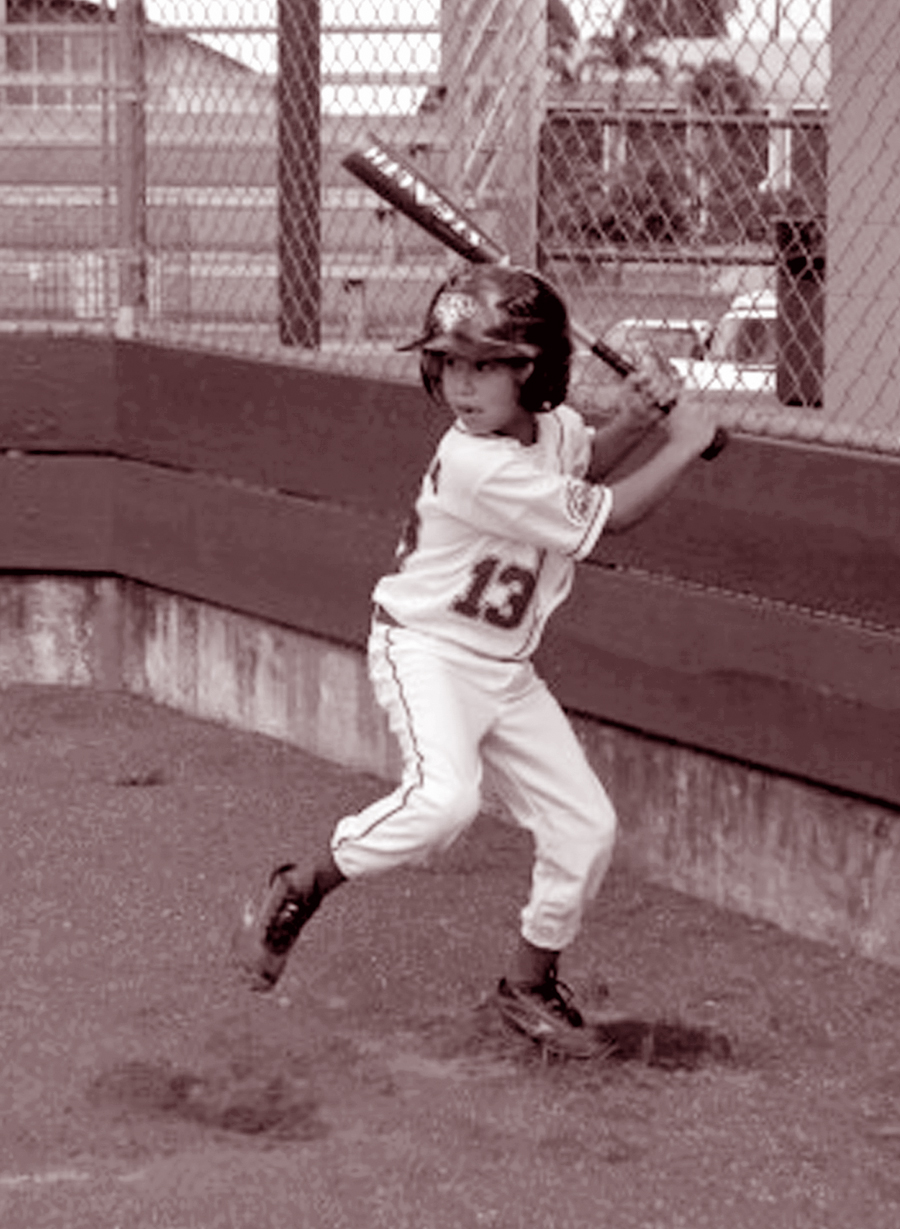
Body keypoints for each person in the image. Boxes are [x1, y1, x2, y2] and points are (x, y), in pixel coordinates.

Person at [232, 264, 718, 1057]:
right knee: (444, 802)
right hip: (427, 651)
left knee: (585, 827)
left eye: (486, 363)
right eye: (451, 362)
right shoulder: (474, 460)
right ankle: (302, 884)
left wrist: (631, 419)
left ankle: (528, 985)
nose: (462, 382)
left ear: (536, 371)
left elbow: (580, 461)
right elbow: (614, 514)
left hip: (504, 667)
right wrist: (686, 444)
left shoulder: (549, 427)